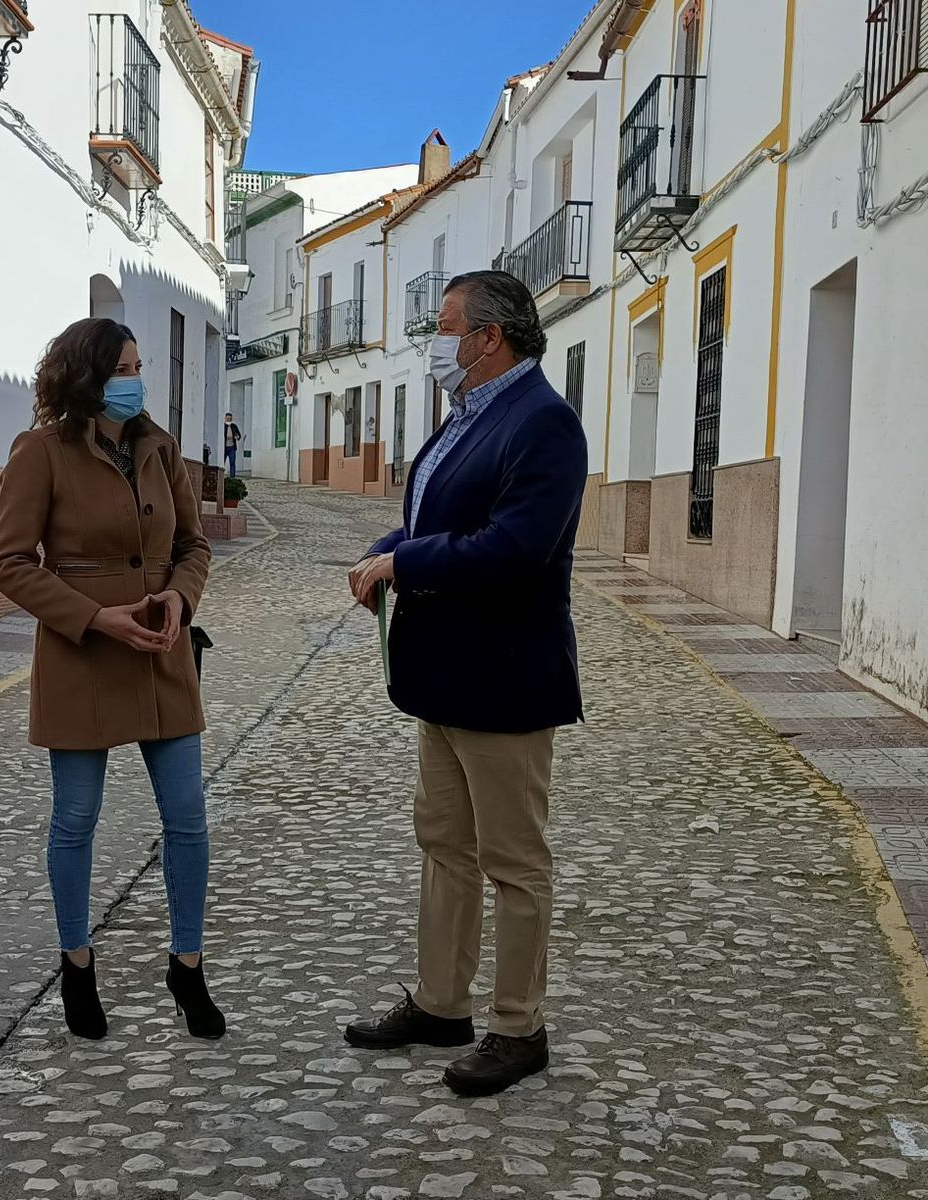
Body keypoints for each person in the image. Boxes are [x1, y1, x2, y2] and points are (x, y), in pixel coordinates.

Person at [343, 271, 587, 1096]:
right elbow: (435, 525)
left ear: (490, 338)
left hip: (506, 681)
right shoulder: (469, 417)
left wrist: (405, 562)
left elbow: (515, 548)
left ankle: (519, 1027)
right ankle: (442, 1002)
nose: (436, 340)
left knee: (514, 861)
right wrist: (389, 548)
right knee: (444, 845)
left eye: (446, 326)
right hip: (443, 675)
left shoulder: (544, 423)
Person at [0, 317, 224, 1042]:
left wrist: (180, 600)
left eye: (140, 363)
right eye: (124, 365)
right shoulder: (40, 453)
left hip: (160, 652)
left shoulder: (160, 447)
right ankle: (77, 962)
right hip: (83, 655)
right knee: (76, 820)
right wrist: (97, 617)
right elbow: (10, 563)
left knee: (188, 819)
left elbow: (192, 544)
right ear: (89, 375)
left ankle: (187, 966)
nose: (136, 377)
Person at [222, 411, 245, 477]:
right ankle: (221, 476)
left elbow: (239, 435)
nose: (228, 419)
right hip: (224, 447)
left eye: (230, 418)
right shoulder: (223, 426)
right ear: (225, 418)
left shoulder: (234, 426)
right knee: (222, 462)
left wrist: (237, 437)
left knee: (232, 462)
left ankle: (232, 477)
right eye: (227, 418)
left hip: (232, 447)